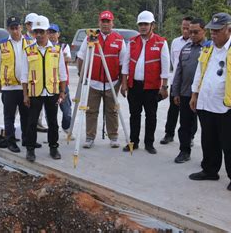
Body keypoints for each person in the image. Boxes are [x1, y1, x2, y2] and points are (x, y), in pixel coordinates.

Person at [189, 13, 231, 192]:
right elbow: (199, 71)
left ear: (229, 30)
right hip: (206, 102)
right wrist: (195, 94)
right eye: (212, 30)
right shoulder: (208, 47)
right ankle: (210, 170)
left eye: (217, 31)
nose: (213, 34)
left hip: (228, 106)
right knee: (208, 140)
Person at [120, 10, 170, 154]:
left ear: (152, 25)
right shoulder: (132, 42)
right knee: (134, 115)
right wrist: (124, 84)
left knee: (151, 116)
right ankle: (133, 142)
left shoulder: (161, 42)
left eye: (146, 24)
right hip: (134, 85)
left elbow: (166, 67)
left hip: (152, 87)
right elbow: (126, 64)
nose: (143, 27)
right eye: (141, 24)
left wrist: (164, 86)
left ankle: (149, 143)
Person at [77, 11, 126, 148]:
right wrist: (82, 75)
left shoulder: (119, 39)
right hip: (93, 82)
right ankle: (89, 136)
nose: (105, 24)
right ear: (99, 22)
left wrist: (122, 83)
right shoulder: (90, 38)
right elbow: (81, 57)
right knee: (91, 110)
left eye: (108, 21)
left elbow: (124, 63)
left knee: (112, 110)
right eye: (103, 21)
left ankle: (113, 136)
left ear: (112, 23)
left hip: (112, 82)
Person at [21, 15, 67, 162]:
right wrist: (25, 95)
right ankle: (30, 149)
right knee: (32, 122)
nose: (39, 35)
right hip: (35, 92)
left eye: (42, 31)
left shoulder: (56, 50)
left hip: (52, 91)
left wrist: (62, 91)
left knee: (53, 121)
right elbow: (24, 74)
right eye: (36, 32)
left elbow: (62, 73)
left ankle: (53, 147)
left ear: (47, 31)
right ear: (33, 33)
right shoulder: (28, 50)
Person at [0, 16, 34, 153]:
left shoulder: (30, 42)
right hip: (9, 86)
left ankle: (26, 139)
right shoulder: (2, 44)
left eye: (17, 27)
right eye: (12, 28)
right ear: (8, 29)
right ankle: (10, 141)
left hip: (26, 86)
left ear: (21, 27)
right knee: (9, 116)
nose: (15, 31)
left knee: (26, 115)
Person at [171, 18, 206, 163]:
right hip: (185, 94)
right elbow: (178, 71)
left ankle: (209, 158)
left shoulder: (210, 48)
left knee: (208, 129)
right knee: (184, 125)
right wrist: (176, 92)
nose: (192, 34)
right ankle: (184, 151)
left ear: (204, 31)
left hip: (205, 96)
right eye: (190, 32)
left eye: (195, 32)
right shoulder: (185, 48)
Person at [160, 17, 191, 144]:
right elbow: (173, 61)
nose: (185, 30)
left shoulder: (196, 44)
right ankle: (169, 134)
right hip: (176, 82)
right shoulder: (175, 42)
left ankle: (190, 137)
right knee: (173, 109)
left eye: (188, 28)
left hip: (190, 83)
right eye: (183, 27)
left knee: (190, 112)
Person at [47, 23, 73, 136]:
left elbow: (68, 58)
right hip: (48, 83)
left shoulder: (63, 46)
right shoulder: (44, 46)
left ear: (58, 34)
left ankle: (66, 127)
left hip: (62, 83)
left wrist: (55, 57)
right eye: (49, 32)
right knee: (50, 110)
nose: (51, 35)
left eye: (54, 32)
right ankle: (52, 130)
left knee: (66, 109)